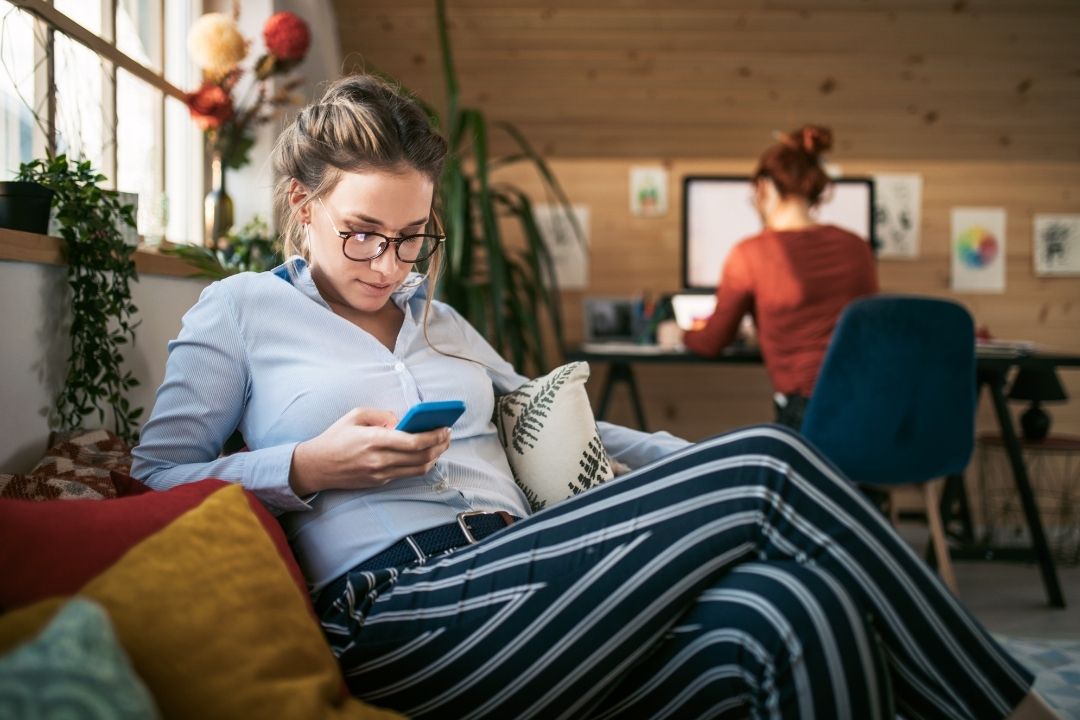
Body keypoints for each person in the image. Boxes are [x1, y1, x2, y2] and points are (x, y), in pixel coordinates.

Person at [131, 76, 1058, 720]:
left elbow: (549, 415)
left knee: (793, 607)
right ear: (301, 204)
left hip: (534, 570)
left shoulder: (442, 322)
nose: (391, 265)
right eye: (362, 235)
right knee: (771, 461)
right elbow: (155, 481)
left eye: (414, 238)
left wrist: (698, 474)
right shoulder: (241, 309)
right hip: (406, 612)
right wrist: (307, 465)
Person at [661, 126, 878, 431]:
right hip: (873, 407)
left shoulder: (751, 254)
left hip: (810, 414)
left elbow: (712, 342)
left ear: (764, 188)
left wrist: (678, 335)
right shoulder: (857, 246)